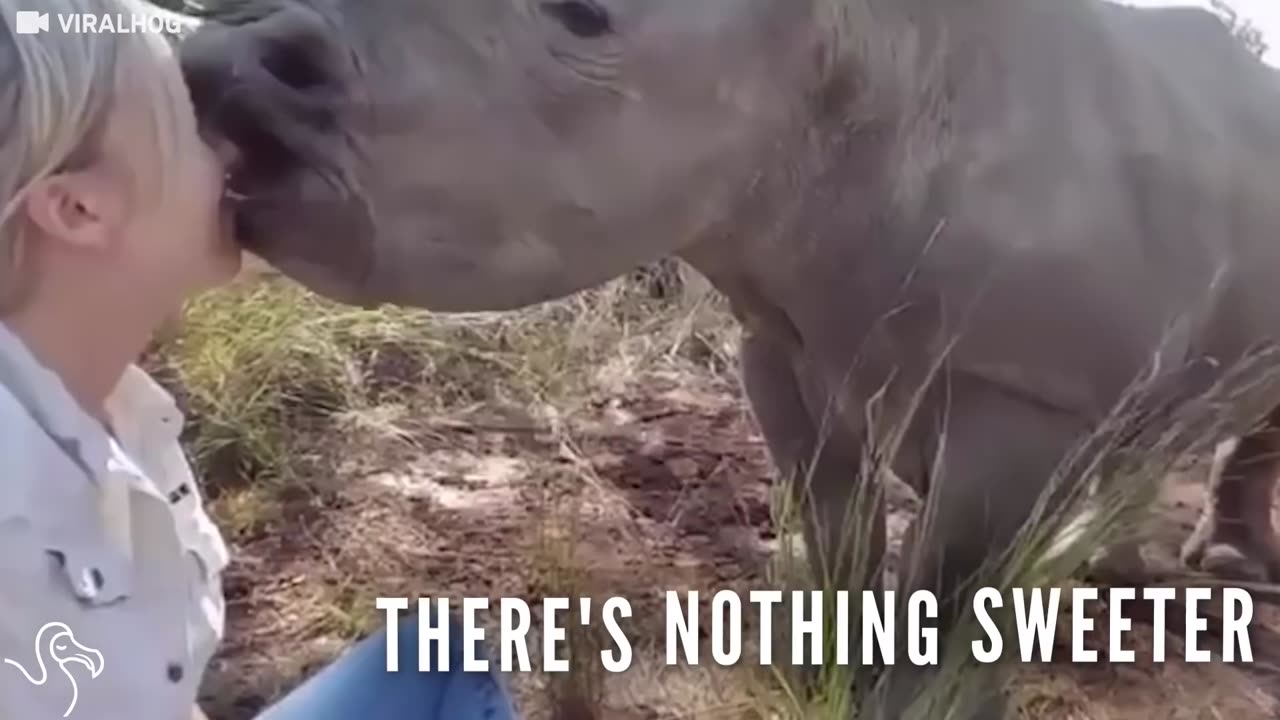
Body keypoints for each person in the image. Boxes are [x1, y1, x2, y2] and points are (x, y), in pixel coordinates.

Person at [0, 1, 519, 718]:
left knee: (439, 656)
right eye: (192, 115)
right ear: (78, 210)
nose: (239, 146)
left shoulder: (114, 408)